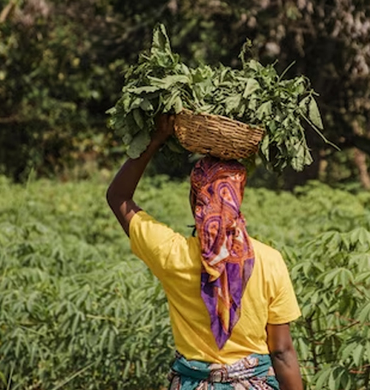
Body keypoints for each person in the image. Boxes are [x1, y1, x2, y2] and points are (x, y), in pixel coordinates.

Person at [106, 114, 303, 390]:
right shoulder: (270, 261)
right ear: (238, 199)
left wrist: (155, 139)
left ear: (195, 202)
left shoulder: (172, 254)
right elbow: (282, 351)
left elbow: (118, 197)